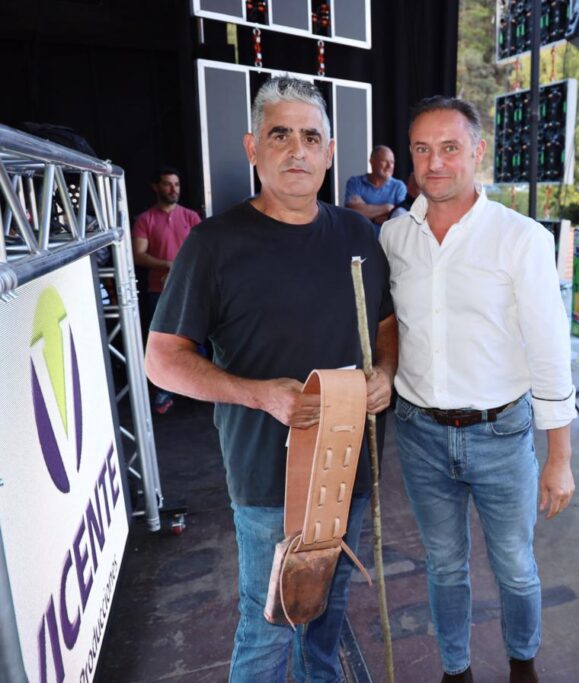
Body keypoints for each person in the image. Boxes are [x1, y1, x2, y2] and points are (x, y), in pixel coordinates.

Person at [144, 76, 398, 681]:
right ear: (252, 147)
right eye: (280, 135)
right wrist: (258, 394)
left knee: (327, 618)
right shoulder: (214, 243)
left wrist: (386, 371)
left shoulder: (358, 235)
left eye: (311, 137)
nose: (297, 151)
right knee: (268, 628)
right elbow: (162, 359)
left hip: (351, 467)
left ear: (330, 153)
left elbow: (386, 323)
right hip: (268, 480)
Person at [380, 96, 574, 683]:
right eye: (422, 149)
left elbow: (548, 347)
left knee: (514, 565)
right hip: (419, 434)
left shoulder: (521, 238)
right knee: (443, 566)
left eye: (450, 148)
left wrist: (559, 457)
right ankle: (456, 670)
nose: (435, 162)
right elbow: (391, 326)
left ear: (478, 152)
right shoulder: (394, 237)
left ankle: (523, 665)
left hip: (501, 434)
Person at [132, 166, 202, 414]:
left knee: (197, 340)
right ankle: (165, 390)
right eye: (167, 184)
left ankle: (200, 388)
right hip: (158, 291)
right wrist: (168, 266)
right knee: (163, 343)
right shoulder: (145, 219)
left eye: (177, 184)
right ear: (156, 187)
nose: (173, 189)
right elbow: (138, 255)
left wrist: (180, 269)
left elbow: (203, 251)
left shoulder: (191, 217)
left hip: (192, 290)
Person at [345, 144, 407, 233]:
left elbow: (402, 220)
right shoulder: (355, 182)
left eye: (392, 162)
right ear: (372, 161)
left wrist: (366, 213)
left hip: (387, 240)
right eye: (384, 161)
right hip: (358, 238)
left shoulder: (399, 187)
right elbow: (352, 212)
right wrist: (388, 208)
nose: (389, 166)